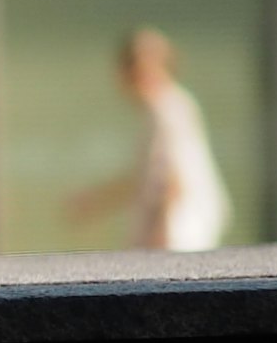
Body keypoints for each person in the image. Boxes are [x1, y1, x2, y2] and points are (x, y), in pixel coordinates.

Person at [68, 27, 232, 251]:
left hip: (177, 238)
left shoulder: (167, 110)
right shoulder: (166, 109)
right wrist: (98, 200)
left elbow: (170, 182)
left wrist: (158, 239)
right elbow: (146, 176)